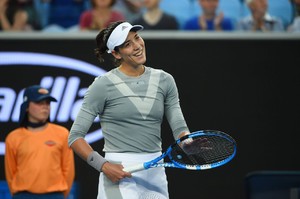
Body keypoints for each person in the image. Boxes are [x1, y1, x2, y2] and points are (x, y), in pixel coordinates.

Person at [68, 20, 190, 199]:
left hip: (156, 171)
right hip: (119, 171)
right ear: (116, 54)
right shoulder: (102, 85)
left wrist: (186, 141)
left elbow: (178, 124)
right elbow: (75, 137)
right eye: (127, 44)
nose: (137, 46)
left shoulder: (165, 80)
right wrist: (104, 166)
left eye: (137, 38)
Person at [5, 85, 75, 199]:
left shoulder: (62, 134)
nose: (45, 107)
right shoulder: (13, 138)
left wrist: (61, 195)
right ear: (26, 106)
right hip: (23, 196)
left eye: (47, 103)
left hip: (55, 195)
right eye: (39, 102)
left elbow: (68, 170)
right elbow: (10, 173)